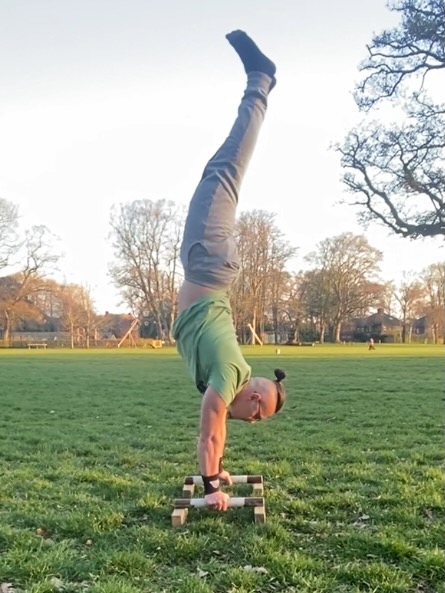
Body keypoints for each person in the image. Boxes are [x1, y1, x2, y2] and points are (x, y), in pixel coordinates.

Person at [172, 30, 287, 512]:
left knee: (220, 171)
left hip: (208, 262)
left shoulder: (232, 376)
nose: (249, 422)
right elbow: (210, 429)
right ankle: (260, 80)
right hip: (209, 261)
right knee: (227, 168)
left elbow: (217, 427)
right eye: (256, 418)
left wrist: (217, 470)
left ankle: (259, 82)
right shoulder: (229, 374)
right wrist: (211, 484)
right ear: (254, 400)